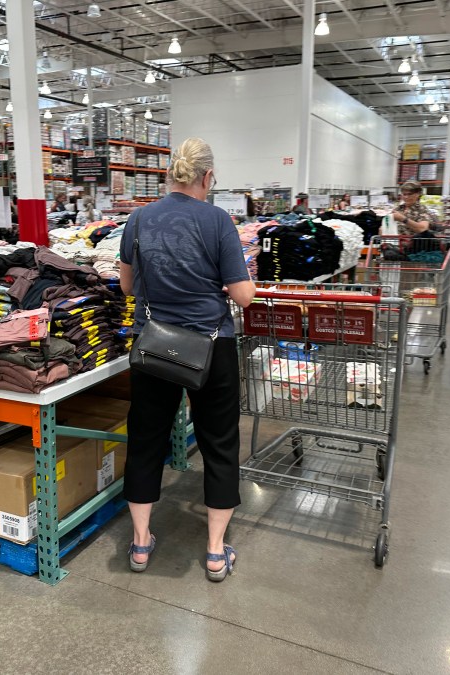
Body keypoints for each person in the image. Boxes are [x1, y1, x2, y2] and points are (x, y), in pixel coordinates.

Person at [119, 137, 256, 582]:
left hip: (153, 344)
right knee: (219, 442)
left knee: (145, 441)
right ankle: (215, 552)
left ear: (169, 174)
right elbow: (244, 296)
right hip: (210, 346)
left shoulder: (138, 219)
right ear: (208, 177)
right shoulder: (218, 221)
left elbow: (127, 286)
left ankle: (140, 543)